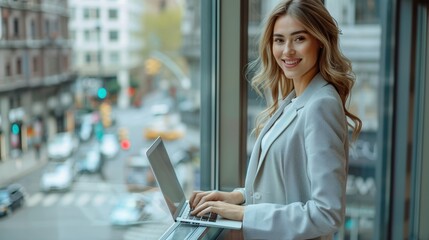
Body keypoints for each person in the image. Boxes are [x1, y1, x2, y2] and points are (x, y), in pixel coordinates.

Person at [189, 0, 362, 239]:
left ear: (320, 42)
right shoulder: (295, 99)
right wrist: (237, 197)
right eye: (279, 40)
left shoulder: (321, 105)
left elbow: (327, 213)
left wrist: (242, 213)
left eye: (299, 39)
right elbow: (286, 188)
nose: (287, 50)